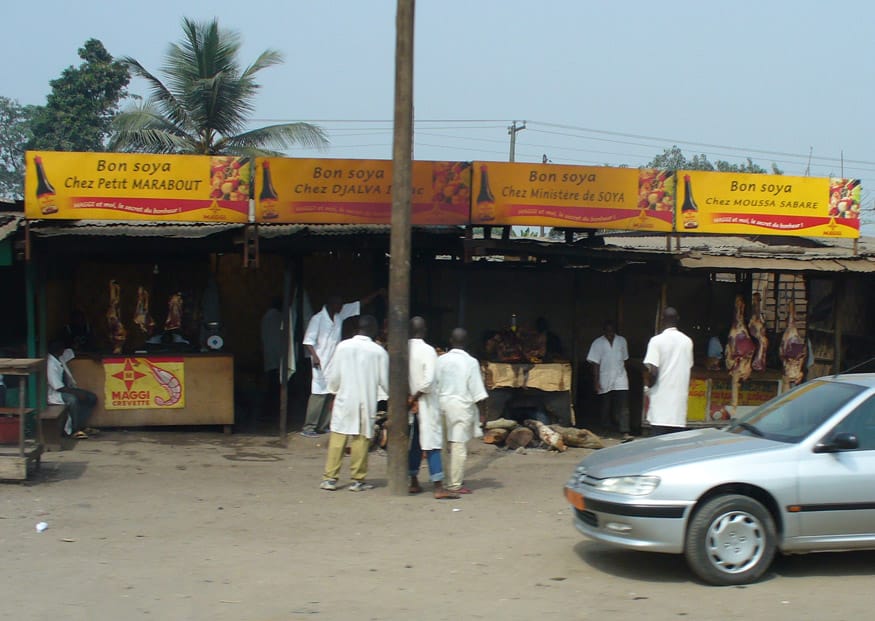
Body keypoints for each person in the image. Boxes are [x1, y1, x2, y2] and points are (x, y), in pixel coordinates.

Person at [301, 289, 384, 437]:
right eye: (339, 305)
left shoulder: (339, 315)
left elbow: (359, 304)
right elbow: (308, 341)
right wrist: (314, 356)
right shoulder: (318, 319)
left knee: (331, 392)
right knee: (318, 394)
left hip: (333, 361)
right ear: (331, 305)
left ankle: (323, 426)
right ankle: (309, 426)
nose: (341, 308)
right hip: (320, 362)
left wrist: (376, 294)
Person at [320, 315, 389, 492]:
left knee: (338, 438)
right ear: (373, 330)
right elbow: (385, 381)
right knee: (361, 439)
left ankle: (330, 479)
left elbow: (334, 376)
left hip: (345, 398)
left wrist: (334, 391)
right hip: (365, 400)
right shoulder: (378, 351)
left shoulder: (343, 347)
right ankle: (358, 480)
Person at [408, 317, 458, 500]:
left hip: (409, 402)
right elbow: (428, 381)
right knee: (432, 443)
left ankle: (413, 481)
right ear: (425, 330)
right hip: (425, 402)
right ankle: (438, 486)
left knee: (414, 443)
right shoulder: (428, 350)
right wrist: (415, 397)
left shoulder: (402, 348)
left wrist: (408, 398)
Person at [435, 328, 488, 494]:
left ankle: (443, 479)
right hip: (461, 407)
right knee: (458, 446)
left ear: (451, 341)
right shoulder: (471, 362)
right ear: (467, 343)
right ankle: (455, 483)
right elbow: (477, 391)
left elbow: (433, 384)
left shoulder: (440, 360)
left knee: (442, 445)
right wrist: (483, 412)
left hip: (441, 404)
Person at [643, 307, 694, 435]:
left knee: (658, 446)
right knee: (674, 448)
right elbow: (689, 365)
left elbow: (653, 371)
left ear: (662, 320)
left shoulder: (656, 341)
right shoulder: (687, 342)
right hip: (679, 406)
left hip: (661, 403)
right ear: (677, 319)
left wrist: (647, 387)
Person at [586, 320, 631, 439]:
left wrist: (625, 374)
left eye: (612, 331)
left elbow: (625, 360)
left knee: (623, 406)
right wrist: (596, 381)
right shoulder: (598, 343)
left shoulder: (622, 341)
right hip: (604, 377)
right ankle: (605, 429)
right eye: (608, 331)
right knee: (606, 405)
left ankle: (625, 431)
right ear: (604, 331)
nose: (610, 333)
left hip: (620, 377)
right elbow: (595, 363)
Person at [47, 340, 98, 439]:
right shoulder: (51, 364)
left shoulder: (59, 356)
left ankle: (80, 425)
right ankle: (74, 430)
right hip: (55, 394)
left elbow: (73, 353)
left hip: (66, 389)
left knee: (92, 398)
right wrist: (77, 393)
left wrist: (91, 355)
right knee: (73, 399)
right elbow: (59, 387)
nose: (64, 350)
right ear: (58, 350)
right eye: (62, 348)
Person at [260, 297, 283, 419]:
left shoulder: (267, 316)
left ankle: (268, 413)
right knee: (274, 387)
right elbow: (278, 339)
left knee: (271, 385)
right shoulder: (277, 317)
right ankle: (271, 414)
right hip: (276, 356)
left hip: (270, 355)